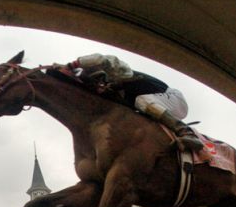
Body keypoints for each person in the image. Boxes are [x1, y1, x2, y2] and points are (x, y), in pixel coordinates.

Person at [66, 53, 204, 151]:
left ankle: (186, 132)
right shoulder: (113, 93)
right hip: (157, 106)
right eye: (96, 85)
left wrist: (72, 65)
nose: (100, 86)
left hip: (174, 100)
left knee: (141, 101)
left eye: (101, 80)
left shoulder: (122, 74)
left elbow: (102, 59)